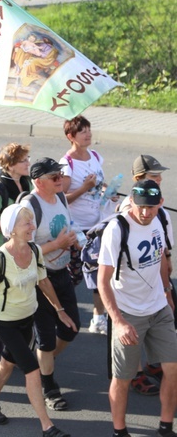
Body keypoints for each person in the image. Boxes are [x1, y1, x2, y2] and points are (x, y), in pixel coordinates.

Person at [0, 204, 75, 437]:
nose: (32, 226)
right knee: (31, 370)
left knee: (7, 363)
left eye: (32, 222)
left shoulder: (35, 251)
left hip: (26, 318)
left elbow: (43, 281)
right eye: (26, 223)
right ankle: (47, 426)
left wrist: (60, 310)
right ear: (11, 230)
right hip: (4, 323)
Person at [97, 180, 177, 437]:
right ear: (131, 201)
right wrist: (118, 321)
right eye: (141, 207)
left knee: (173, 368)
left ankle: (166, 427)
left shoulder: (160, 219)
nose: (146, 212)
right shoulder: (117, 228)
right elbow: (103, 280)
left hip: (158, 308)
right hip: (128, 313)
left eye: (151, 207)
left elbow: (162, 258)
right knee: (123, 378)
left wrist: (166, 291)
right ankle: (119, 431)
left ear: (160, 204)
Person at [20, 158, 81, 411]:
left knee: (72, 328)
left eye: (61, 175)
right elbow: (23, 249)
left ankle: (41, 362)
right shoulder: (29, 206)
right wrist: (57, 244)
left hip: (61, 273)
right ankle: (49, 386)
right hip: (38, 280)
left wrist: (75, 239)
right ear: (38, 181)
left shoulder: (61, 198)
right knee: (45, 339)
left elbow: (67, 226)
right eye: (55, 177)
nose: (61, 180)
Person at [118, 155, 173, 396]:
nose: (159, 178)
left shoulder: (156, 204)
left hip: (155, 275)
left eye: (159, 175)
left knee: (159, 319)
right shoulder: (129, 212)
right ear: (139, 179)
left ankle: (154, 361)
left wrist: (167, 268)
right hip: (130, 289)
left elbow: (161, 242)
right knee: (131, 334)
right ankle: (135, 373)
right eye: (153, 175)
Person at [59, 115, 108, 335]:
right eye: (82, 131)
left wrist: (108, 191)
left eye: (89, 129)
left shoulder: (95, 156)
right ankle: (54, 309)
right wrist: (85, 187)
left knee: (100, 272)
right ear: (71, 137)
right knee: (75, 275)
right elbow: (62, 198)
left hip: (98, 224)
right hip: (77, 229)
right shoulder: (67, 164)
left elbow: (100, 183)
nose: (88, 134)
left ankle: (98, 318)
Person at [0, 143, 33, 263]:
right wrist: (13, 220)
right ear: (10, 166)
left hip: (17, 245)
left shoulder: (26, 182)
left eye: (28, 159)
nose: (28, 163)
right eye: (23, 161)